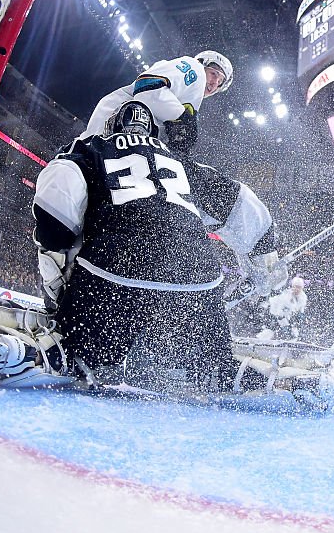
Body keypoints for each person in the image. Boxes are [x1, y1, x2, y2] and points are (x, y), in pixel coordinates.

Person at [30, 100, 286, 391]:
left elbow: (55, 217)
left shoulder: (89, 150)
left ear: (110, 127)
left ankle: (66, 354)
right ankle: (225, 372)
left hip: (116, 273)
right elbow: (240, 201)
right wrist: (265, 257)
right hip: (198, 281)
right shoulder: (183, 164)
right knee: (207, 359)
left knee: (87, 351)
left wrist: (59, 290)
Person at [81, 51, 233, 154]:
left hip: (114, 141)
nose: (214, 84)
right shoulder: (195, 68)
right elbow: (147, 86)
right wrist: (182, 117)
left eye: (220, 82)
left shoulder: (187, 97)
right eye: (214, 74)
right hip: (110, 132)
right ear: (202, 64)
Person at [257, 276, 307, 341]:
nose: (297, 289)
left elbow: (300, 311)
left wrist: (299, 323)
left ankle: (295, 338)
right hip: (275, 313)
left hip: (288, 315)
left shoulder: (303, 297)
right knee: (272, 330)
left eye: (299, 287)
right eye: (296, 286)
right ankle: (262, 339)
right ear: (292, 286)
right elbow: (279, 313)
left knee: (296, 327)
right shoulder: (286, 295)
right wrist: (286, 325)